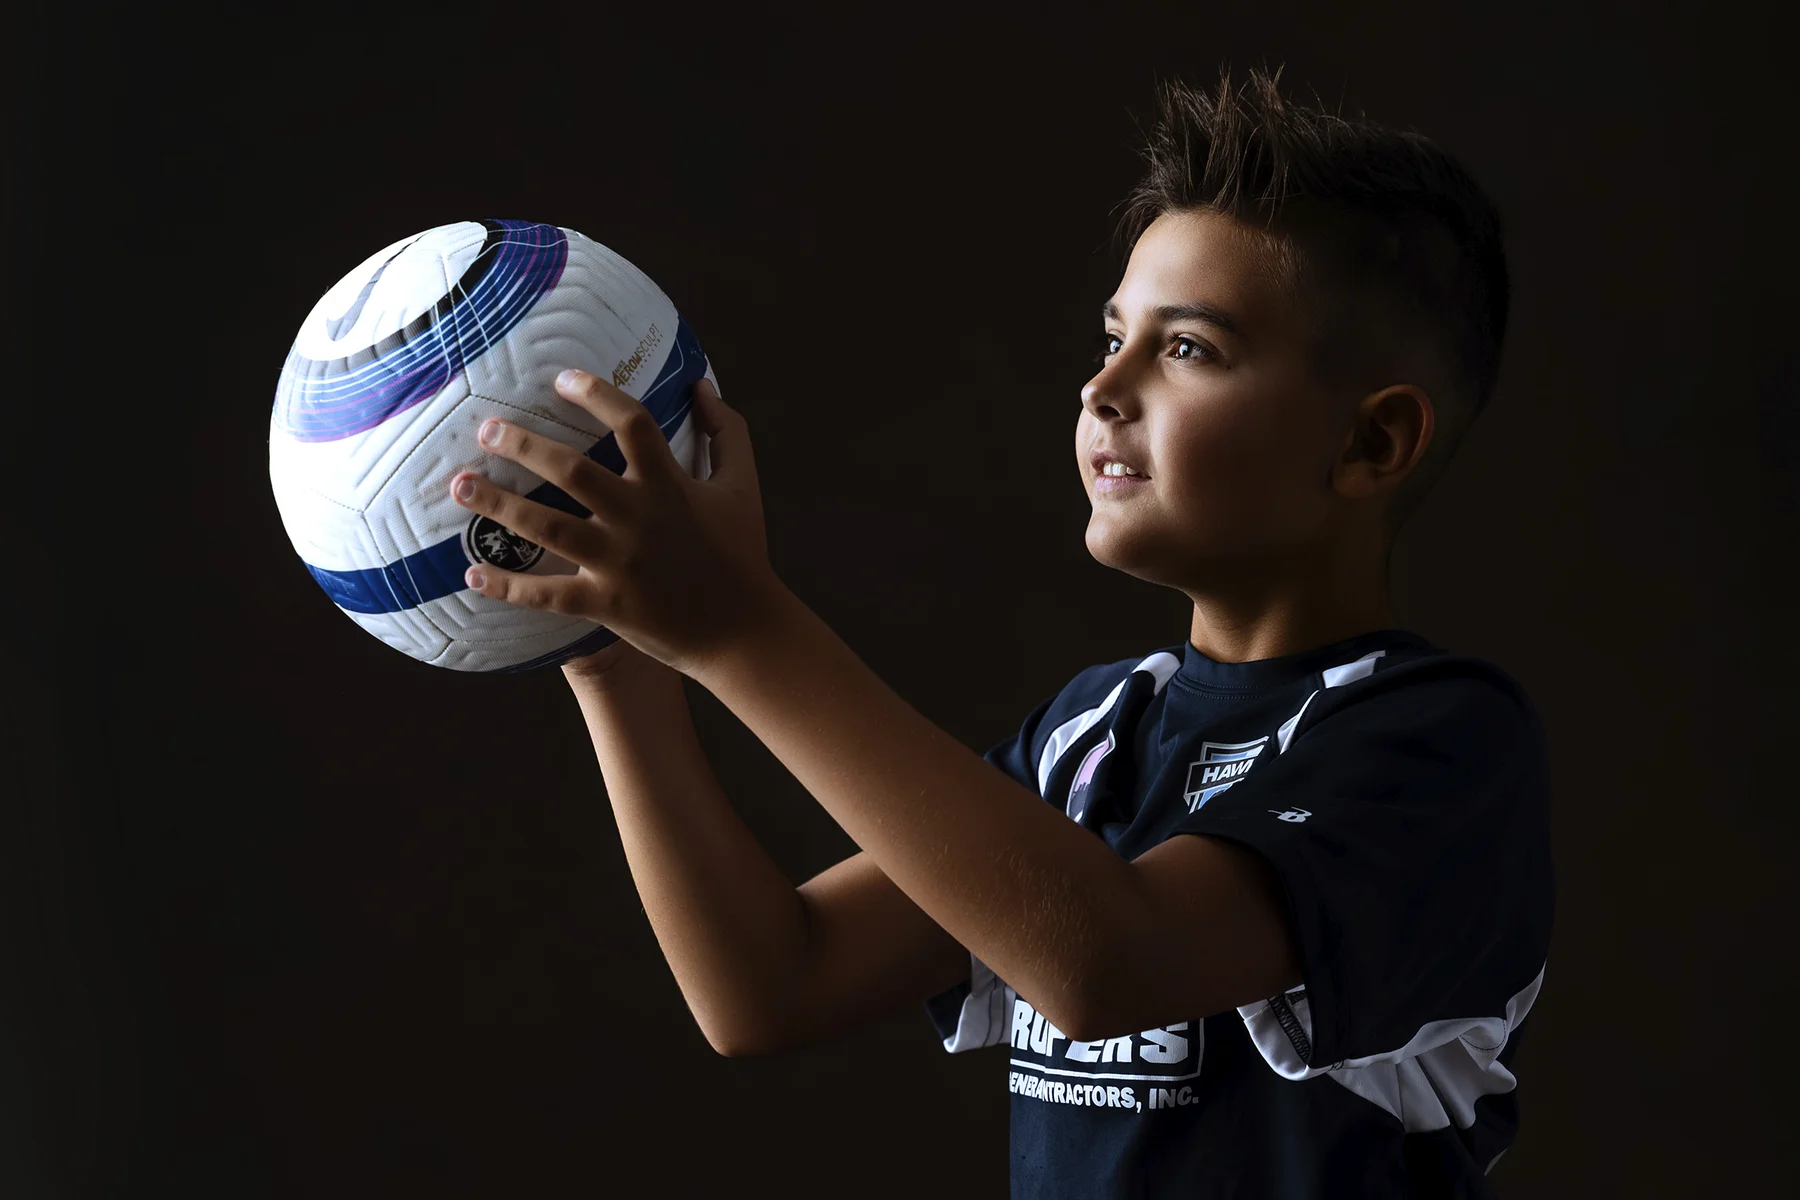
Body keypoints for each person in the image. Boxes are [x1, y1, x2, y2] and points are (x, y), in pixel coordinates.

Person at [444, 62, 1553, 1199]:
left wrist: (738, 630)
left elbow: (1103, 962)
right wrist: (619, 660)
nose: (1102, 387)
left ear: (1373, 446)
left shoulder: (1440, 747)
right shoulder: (1098, 732)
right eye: (1112, 336)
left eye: (1188, 349)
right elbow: (769, 980)